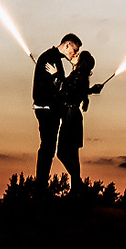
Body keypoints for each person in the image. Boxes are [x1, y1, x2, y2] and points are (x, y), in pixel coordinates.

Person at [32, 32, 100, 188]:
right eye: (74, 50)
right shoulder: (50, 58)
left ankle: (46, 186)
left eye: (76, 52)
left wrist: (86, 91)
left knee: (52, 149)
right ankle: (42, 187)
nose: (74, 53)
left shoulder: (55, 59)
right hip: (47, 110)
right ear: (67, 44)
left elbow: (66, 88)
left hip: (54, 111)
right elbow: (61, 87)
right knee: (49, 148)